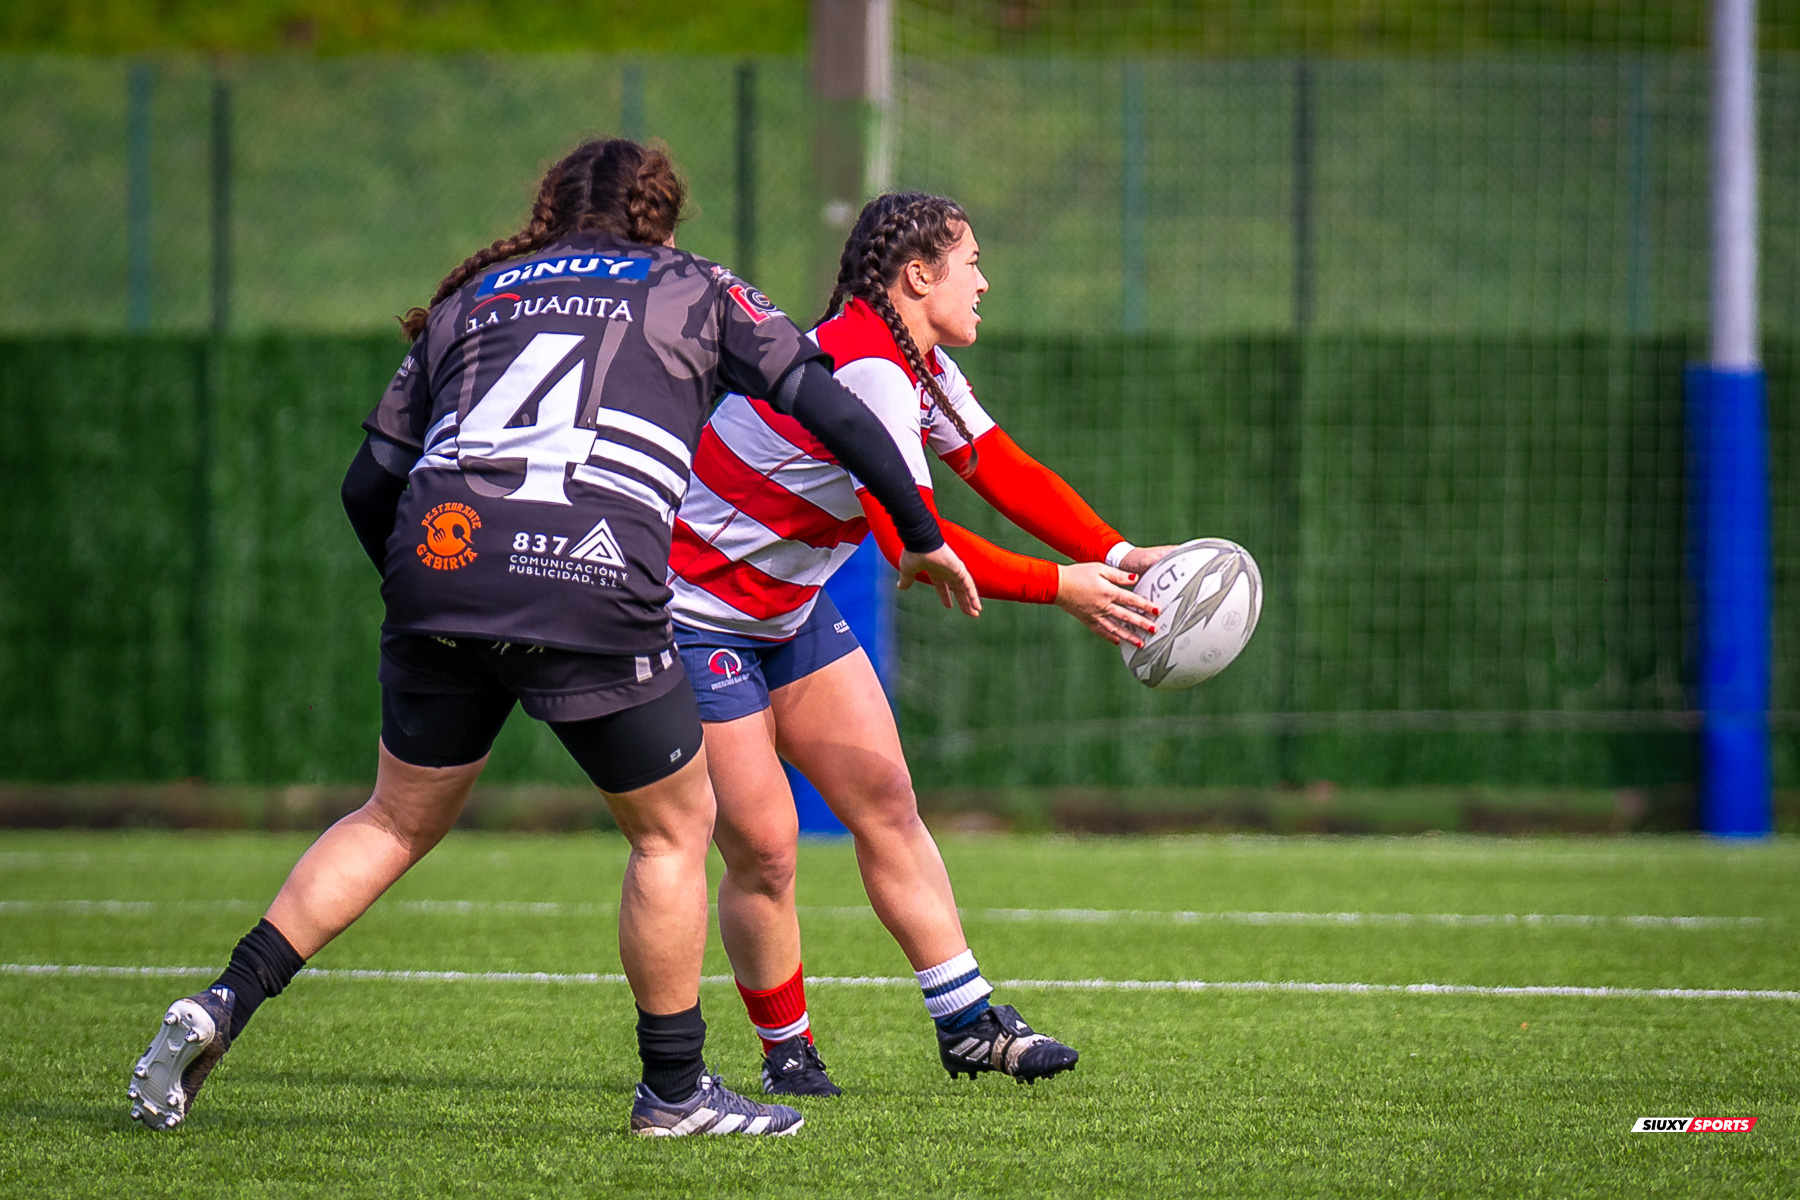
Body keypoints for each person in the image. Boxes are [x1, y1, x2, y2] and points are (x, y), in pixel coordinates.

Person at [126, 142, 977, 1138]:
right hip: (592, 569)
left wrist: (428, 593)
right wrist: (920, 537)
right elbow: (831, 407)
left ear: (551, 212)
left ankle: (226, 998)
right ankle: (674, 1092)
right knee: (671, 829)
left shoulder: (474, 298)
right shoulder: (693, 285)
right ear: (659, 213)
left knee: (394, 821)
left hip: (440, 567)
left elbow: (367, 484)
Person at [668, 192, 1175, 1095]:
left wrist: (1120, 555)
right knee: (767, 846)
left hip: (785, 611)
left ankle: (968, 1022)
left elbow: (1001, 468)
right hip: (694, 612)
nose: (984, 280)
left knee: (888, 802)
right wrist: (1063, 587)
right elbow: (914, 541)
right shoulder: (868, 367)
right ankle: (787, 1053)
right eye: (971, 261)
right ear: (917, 275)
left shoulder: (915, 361)